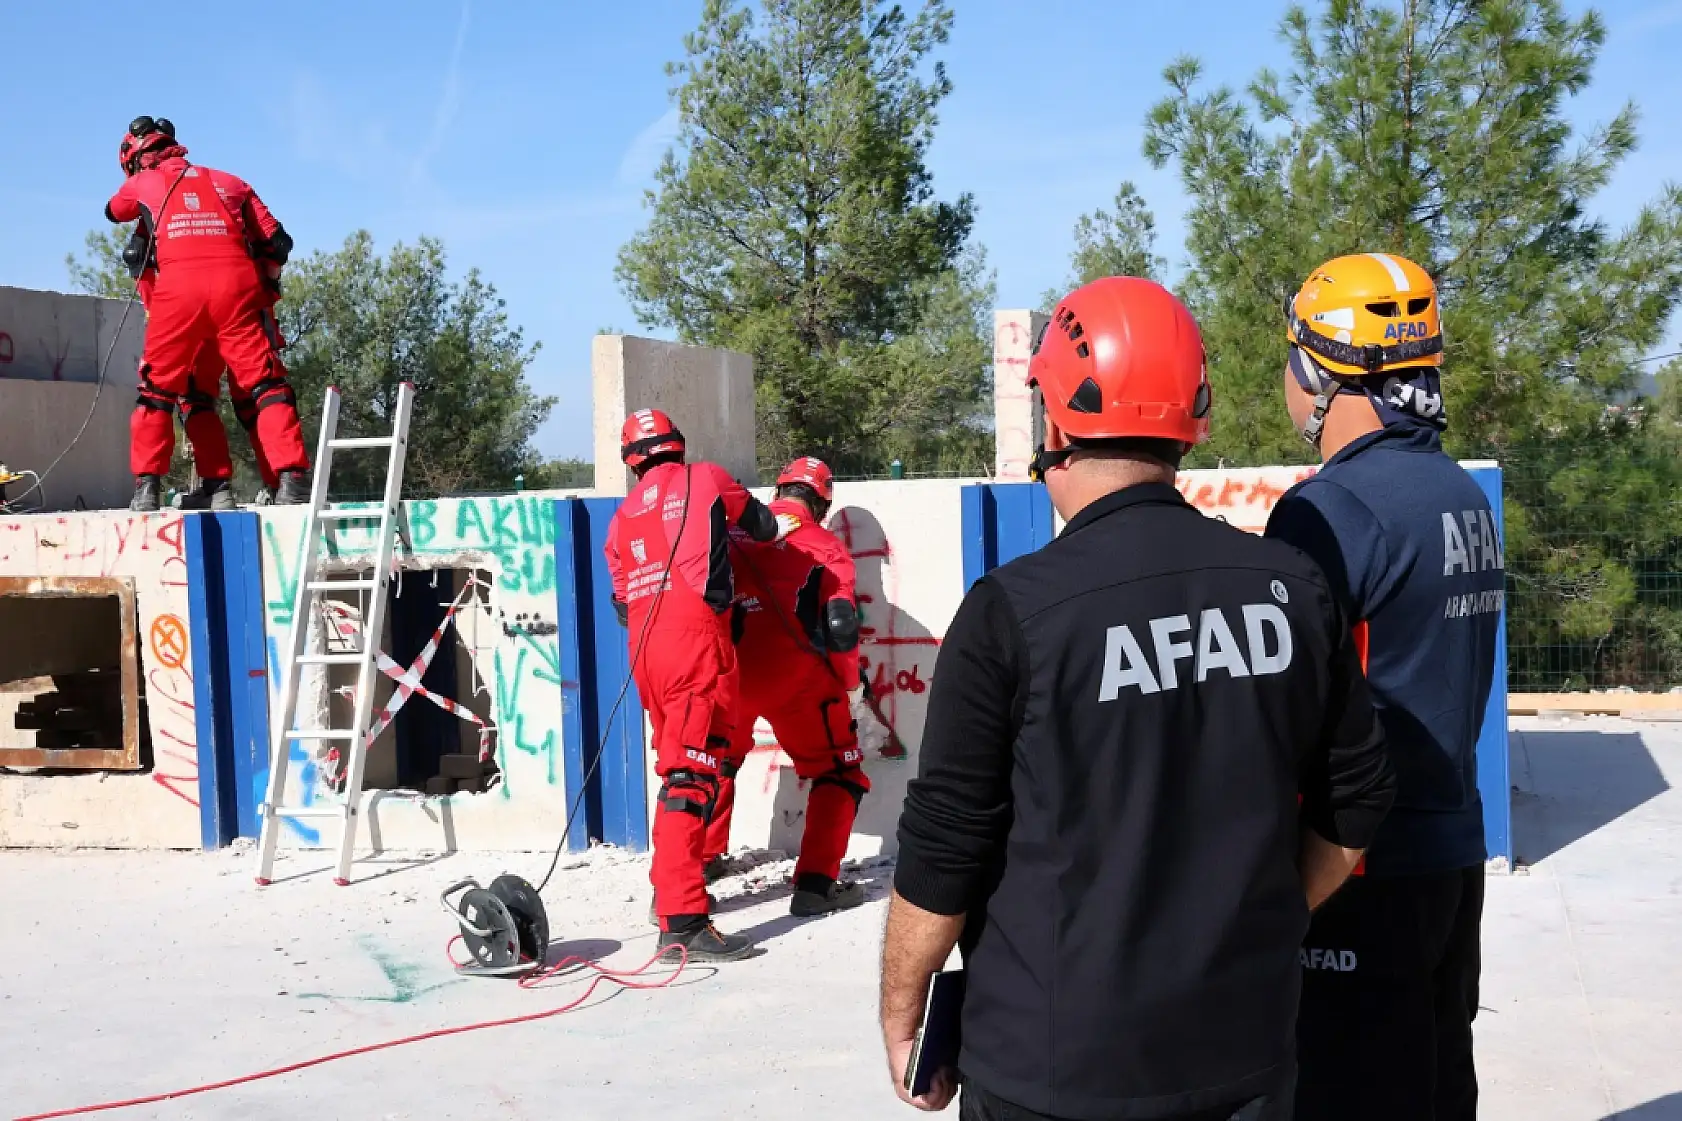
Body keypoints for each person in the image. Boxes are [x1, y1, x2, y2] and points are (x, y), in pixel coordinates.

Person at [879, 276, 1398, 1119]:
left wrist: (903, 1017)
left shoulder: (1012, 613)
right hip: (1245, 1056)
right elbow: (1360, 796)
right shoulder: (1292, 586)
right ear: (1191, 414)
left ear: (1055, 420)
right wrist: (1263, 921)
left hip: (1052, 1074)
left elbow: (943, 854)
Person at [1268, 253, 1503, 1121]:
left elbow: (1284, 701)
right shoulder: (1461, 496)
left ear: (1324, 375)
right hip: (1452, 851)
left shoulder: (1327, 511)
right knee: (1439, 1083)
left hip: (1357, 870)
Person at [603, 408, 790, 962]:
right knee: (691, 777)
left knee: (681, 765)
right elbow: (762, 527)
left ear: (631, 460)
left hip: (647, 651)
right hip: (696, 645)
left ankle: (673, 890)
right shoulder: (705, 477)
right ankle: (682, 919)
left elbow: (620, 601)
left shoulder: (620, 520)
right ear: (677, 445)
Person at [106, 116, 311, 511]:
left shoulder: (141, 183)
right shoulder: (231, 182)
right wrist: (266, 288)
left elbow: (114, 211)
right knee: (265, 387)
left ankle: (161, 488)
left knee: (164, 392)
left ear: (134, 159)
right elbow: (278, 242)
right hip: (240, 294)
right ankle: (291, 480)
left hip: (179, 297)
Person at [703, 455, 871, 918]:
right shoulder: (825, 546)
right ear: (820, 505)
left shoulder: (731, 538)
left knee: (710, 764)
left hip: (728, 674)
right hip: (797, 679)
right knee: (839, 773)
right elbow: (841, 628)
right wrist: (850, 686)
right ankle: (816, 885)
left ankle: (700, 866)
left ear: (777, 495)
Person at [123, 211, 281, 509]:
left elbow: (136, 256)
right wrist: (268, 291)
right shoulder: (227, 195)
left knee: (181, 396)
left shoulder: (157, 204)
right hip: (244, 304)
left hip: (187, 312)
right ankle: (285, 483)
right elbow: (277, 244)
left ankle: (211, 487)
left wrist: (159, 312)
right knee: (261, 394)